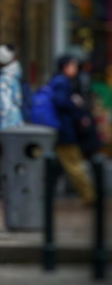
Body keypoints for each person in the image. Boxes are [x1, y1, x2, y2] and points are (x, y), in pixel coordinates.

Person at [47, 54, 98, 203]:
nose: (76, 69)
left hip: (61, 129)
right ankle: (90, 196)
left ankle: (45, 195)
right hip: (64, 130)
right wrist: (74, 103)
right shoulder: (62, 82)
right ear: (66, 67)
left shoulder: (60, 81)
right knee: (74, 164)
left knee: (59, 165)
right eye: (73, 65)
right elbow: (61, 102)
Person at [0, 44, 25, 130]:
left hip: (7, 122)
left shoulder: (4, 78)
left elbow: (4, 103)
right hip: (16, 118)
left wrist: (2, 125)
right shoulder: (14, 75)